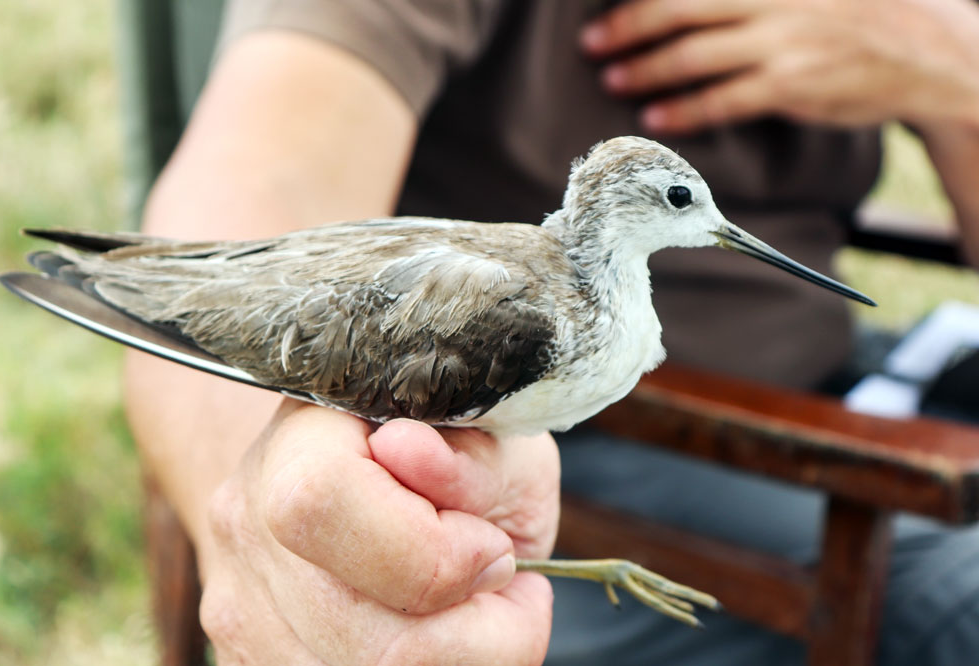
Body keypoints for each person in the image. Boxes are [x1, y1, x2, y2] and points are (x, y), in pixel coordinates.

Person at [123, 1, 979, 663]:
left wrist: (958, 64)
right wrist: (285, 539)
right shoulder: (524, 322)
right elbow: (257, 174)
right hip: (580, 437)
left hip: (844, 394)